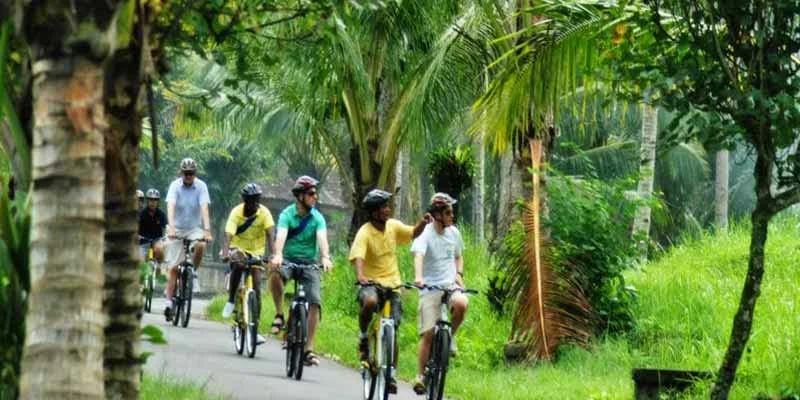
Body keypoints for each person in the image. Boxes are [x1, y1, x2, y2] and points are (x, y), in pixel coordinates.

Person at [348, 189, 428, 394]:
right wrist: (361, 277)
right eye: (383, 207)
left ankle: (391, 372)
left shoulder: (393, 226)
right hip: (372, 283)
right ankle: (364, 335)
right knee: (370, 303)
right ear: (374, 212)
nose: (387, 210)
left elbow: (412, 233)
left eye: (387, 206)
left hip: (393, 285)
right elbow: (358, 256)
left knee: (393, 327)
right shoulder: (365, 232)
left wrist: (423, 222)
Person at [269, 175, 333, 367]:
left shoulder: (317, 217)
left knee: (315, 302)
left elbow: (322, 238)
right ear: (300, 196)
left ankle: (308, 349)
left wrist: (325, 257)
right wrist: (278, 254)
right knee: (274, 274)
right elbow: (281, 235)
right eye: (312, 194)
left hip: (309, 263)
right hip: (288, 259)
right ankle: (280, 313)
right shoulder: (287, 215)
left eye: (316, 194)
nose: (316, 197)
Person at [410, 193, 469, 394]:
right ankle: (420, 375)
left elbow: (458, 257)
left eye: (451, 212)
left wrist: (459, 274)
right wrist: (419, 277)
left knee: (461, 304)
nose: (452, 216)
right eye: (447, 212)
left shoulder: (454, 233)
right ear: (437, 214)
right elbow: (418, 255)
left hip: (450, 285)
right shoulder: (426, 233)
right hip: (430, 287)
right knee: (428, 333)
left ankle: (449, 337)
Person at [219, 183, 274, 345]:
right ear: (244, 200)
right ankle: (231, 300)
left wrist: (274, 255)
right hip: (238, 247)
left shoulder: (264, 213)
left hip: (257, 250)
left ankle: (254, 328)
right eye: (251, 200)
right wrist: (225, 252)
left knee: (256, 286)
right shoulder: (236, 213)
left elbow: (271, 234)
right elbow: (228, 234)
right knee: (240, 263)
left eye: (257, 200)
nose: (254, 203)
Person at [163, 157, 212, 321]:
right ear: (181, 173)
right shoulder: (175, 186)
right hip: (176, 229)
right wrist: (170, 227)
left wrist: (207, 230)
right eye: (186, 173)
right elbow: (171, 206)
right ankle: (169, 303)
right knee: (174, 268)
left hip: (194, 229)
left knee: (201, 245)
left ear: (195, 174)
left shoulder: (202, 186)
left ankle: (194, 273)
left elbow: (204, 207)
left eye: (191, 173)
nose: (188, 176)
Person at [138, 189, 167, 268]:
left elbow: (167, 226)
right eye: (151, 200)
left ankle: (158, 267)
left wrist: (167, 235)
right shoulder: (142, 213)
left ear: (158, 202)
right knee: (141, 264)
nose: (153, 202)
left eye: (155, 200)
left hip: (157, 240)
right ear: (148, 201)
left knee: (160, 249)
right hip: (143, 241)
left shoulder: (161, 214)